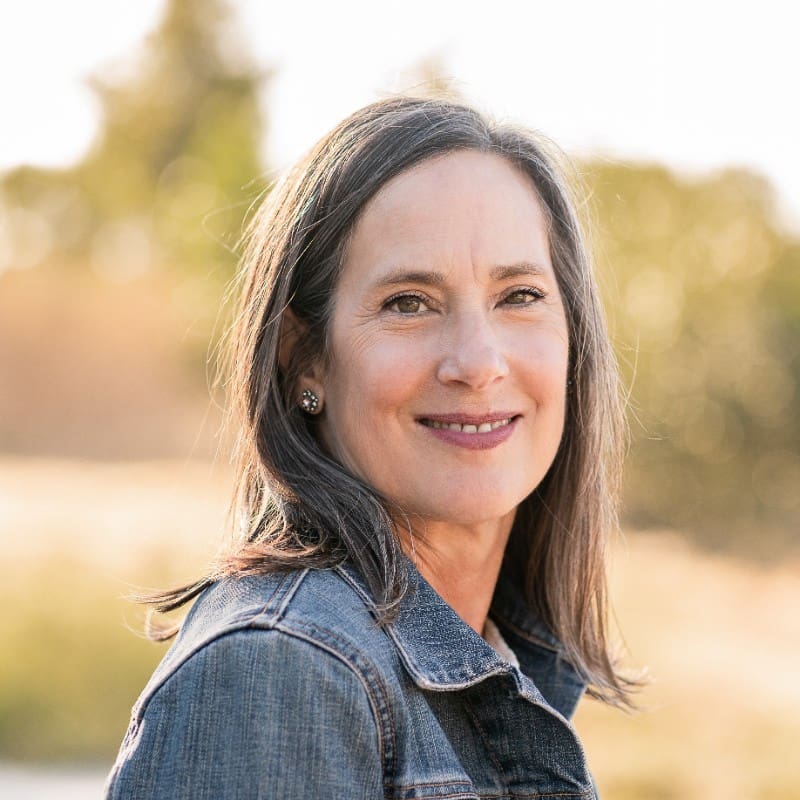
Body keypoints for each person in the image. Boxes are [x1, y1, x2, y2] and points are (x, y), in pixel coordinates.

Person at [104, 95, 637, 799]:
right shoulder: (280, 671)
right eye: (409, 302)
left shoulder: (503, 660)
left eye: (520, 296)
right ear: (304, 361)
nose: (478, 363)